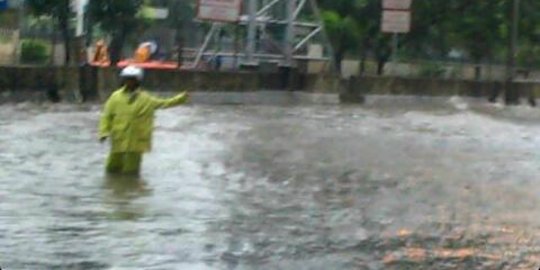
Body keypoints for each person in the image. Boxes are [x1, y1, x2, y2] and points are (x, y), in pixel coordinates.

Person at [98, 65, 189, 175]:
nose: (129, 82)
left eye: (132, 79)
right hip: (119, 138)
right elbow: (107, 116)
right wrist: (103, 132)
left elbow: (164, 103)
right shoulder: (115, 97)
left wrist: (181, 98)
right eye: (127, 79)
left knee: (131, 172)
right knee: (111, 168)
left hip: (136, 141)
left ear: (137, 81)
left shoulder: (146, 99)